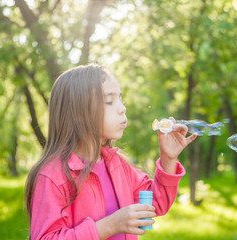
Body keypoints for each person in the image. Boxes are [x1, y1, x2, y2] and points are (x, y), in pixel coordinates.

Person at [24, 64, 197, 240]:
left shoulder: (116, 164)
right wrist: (109, 226)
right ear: (78, 113)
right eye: (109, 101)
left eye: (120, 99)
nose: (122, 108)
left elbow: (155, 204)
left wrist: (168, 158)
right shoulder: (52, 177)